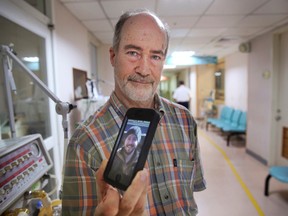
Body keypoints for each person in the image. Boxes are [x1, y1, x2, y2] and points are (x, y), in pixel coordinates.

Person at [62, 8, 206, 216]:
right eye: (133, 53)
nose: (144, 69)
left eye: (155, 56)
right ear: (113, 56)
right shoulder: (84, 142)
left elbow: (189, 196)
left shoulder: (184, 120)